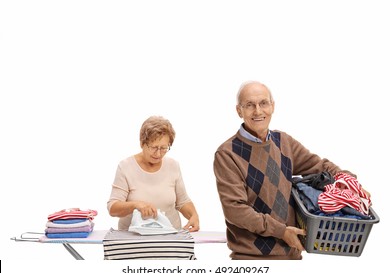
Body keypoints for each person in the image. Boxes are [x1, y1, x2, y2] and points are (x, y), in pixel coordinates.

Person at [213, 81, 363, 260]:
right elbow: (235, 211)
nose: (258, 111)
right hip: (251, 259)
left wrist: (349, 181)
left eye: (263, 103)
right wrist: (282, 232)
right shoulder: (227, 153)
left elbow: (319, 166)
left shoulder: (283, 142)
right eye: (250, 105)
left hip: (292, 256)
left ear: (273, 106)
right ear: (239, 111)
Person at [107, 116, 199, 232]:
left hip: (170, 237)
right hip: (133, 240)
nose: (158, 153)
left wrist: (193, 215)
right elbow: (113, 208)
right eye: (154, 147)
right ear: (142, 143)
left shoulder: (173, 166)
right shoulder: (126, 167)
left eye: (164, 148)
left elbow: (182, 201)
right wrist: (136, 205)